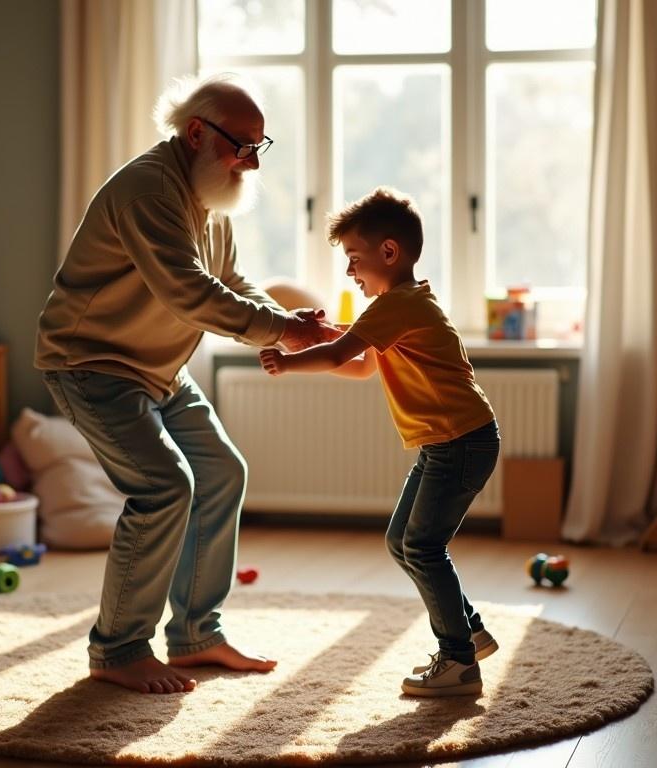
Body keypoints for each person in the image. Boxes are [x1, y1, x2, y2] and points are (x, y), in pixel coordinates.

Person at [35, 73, 334, 695]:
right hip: (91, 365)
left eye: (259, 147)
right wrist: (278, 331)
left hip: (158, 370)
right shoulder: (149, 188)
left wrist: (285, 324)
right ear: (197, 132)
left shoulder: (212, 195)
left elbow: (231, 281)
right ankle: (117, 648)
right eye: (241, 146)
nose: (250, 162)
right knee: (164, 487)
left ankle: (196, 636)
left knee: (221, 471)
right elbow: (189, 293)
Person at [259, 187, 501, 697]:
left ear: (388, 253)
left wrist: (289, 360)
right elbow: (363, 365)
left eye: (354, 259)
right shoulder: (401, 306)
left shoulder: (398, 306)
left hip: (461, 441)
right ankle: (469, 630)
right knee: (402, 541)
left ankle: (458, 660)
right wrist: (326, 344)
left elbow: (335, 354)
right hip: (449, 443)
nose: (350, 273)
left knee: (422, 545)